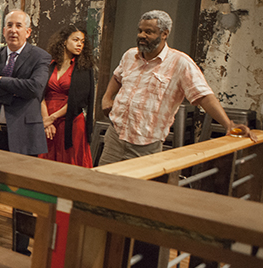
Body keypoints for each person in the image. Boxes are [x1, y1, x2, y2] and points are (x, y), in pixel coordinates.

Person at [99, 9, 252, 164]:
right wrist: (106, 97)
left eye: (148, 32)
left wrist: (228, 125)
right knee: (101, 183)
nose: (141, 36)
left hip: (145, 145)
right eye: (140, 31)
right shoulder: (130, 55)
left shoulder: (180, 63)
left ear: (164, 34)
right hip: (115, 138)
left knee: (137, 188)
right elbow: (117, 77)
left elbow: (204, 96)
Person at [0, 9, 51, 255]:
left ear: (28, 31)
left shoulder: (40, 57)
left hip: (23, 135)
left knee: (23, 197)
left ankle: (20, 249)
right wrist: (15, 90)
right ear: (4, 29)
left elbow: (36, 88)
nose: (13, 30)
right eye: (9, 25)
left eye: (19, 25)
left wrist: (2, 82)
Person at [39, 25, 95, 167]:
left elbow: (78, 101)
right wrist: (46, 120)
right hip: (47, 122)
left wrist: (51, 118)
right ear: (64, 41)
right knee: (46, 162)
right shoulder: (50, 64)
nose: (79, 44)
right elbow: (40, 94)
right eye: (76, 40)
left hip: (71, 121)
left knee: (70, 163)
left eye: (82, 42)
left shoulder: (83, 68)